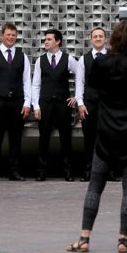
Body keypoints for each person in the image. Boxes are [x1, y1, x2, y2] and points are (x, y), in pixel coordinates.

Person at [66, 20, 127, 253]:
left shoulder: (102, 63)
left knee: (95, 187)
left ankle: (84, 238)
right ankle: (122, 239)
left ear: (112, 39)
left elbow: (93, 84)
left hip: (106, 134)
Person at [0, 22, 31, 181]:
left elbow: (27, 82)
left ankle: (14, 171)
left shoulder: (22, 56)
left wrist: (27, 103)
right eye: (8, 34)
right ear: (2, 36)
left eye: (13, 35)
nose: (11, 37)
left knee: (16, 138)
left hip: (17, 102)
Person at [32, 29, 78, 181]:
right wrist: (36, 106)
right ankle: (41, 171)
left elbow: (81, 75)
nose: (46, 41)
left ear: (57, 41)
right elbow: (35, 85)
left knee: (66, 138)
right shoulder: (40, 60)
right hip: (45, 104)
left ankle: (68, 172)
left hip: (63, 104)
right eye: (45, 39)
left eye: (49, 39)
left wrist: (77, 96)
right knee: (43, 138)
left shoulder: (68, 59)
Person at [76, 27, 108, 182]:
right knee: (89, 140)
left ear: (105, 39)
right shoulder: (84, 59)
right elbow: (80, 83)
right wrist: (80, 104)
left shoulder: (112, 57)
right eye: (95, 36)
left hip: (108, 105)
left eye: (100, 36)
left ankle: (109, 172)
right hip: (89, 104)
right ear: (91, 39)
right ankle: (88, 172)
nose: (98, 38)